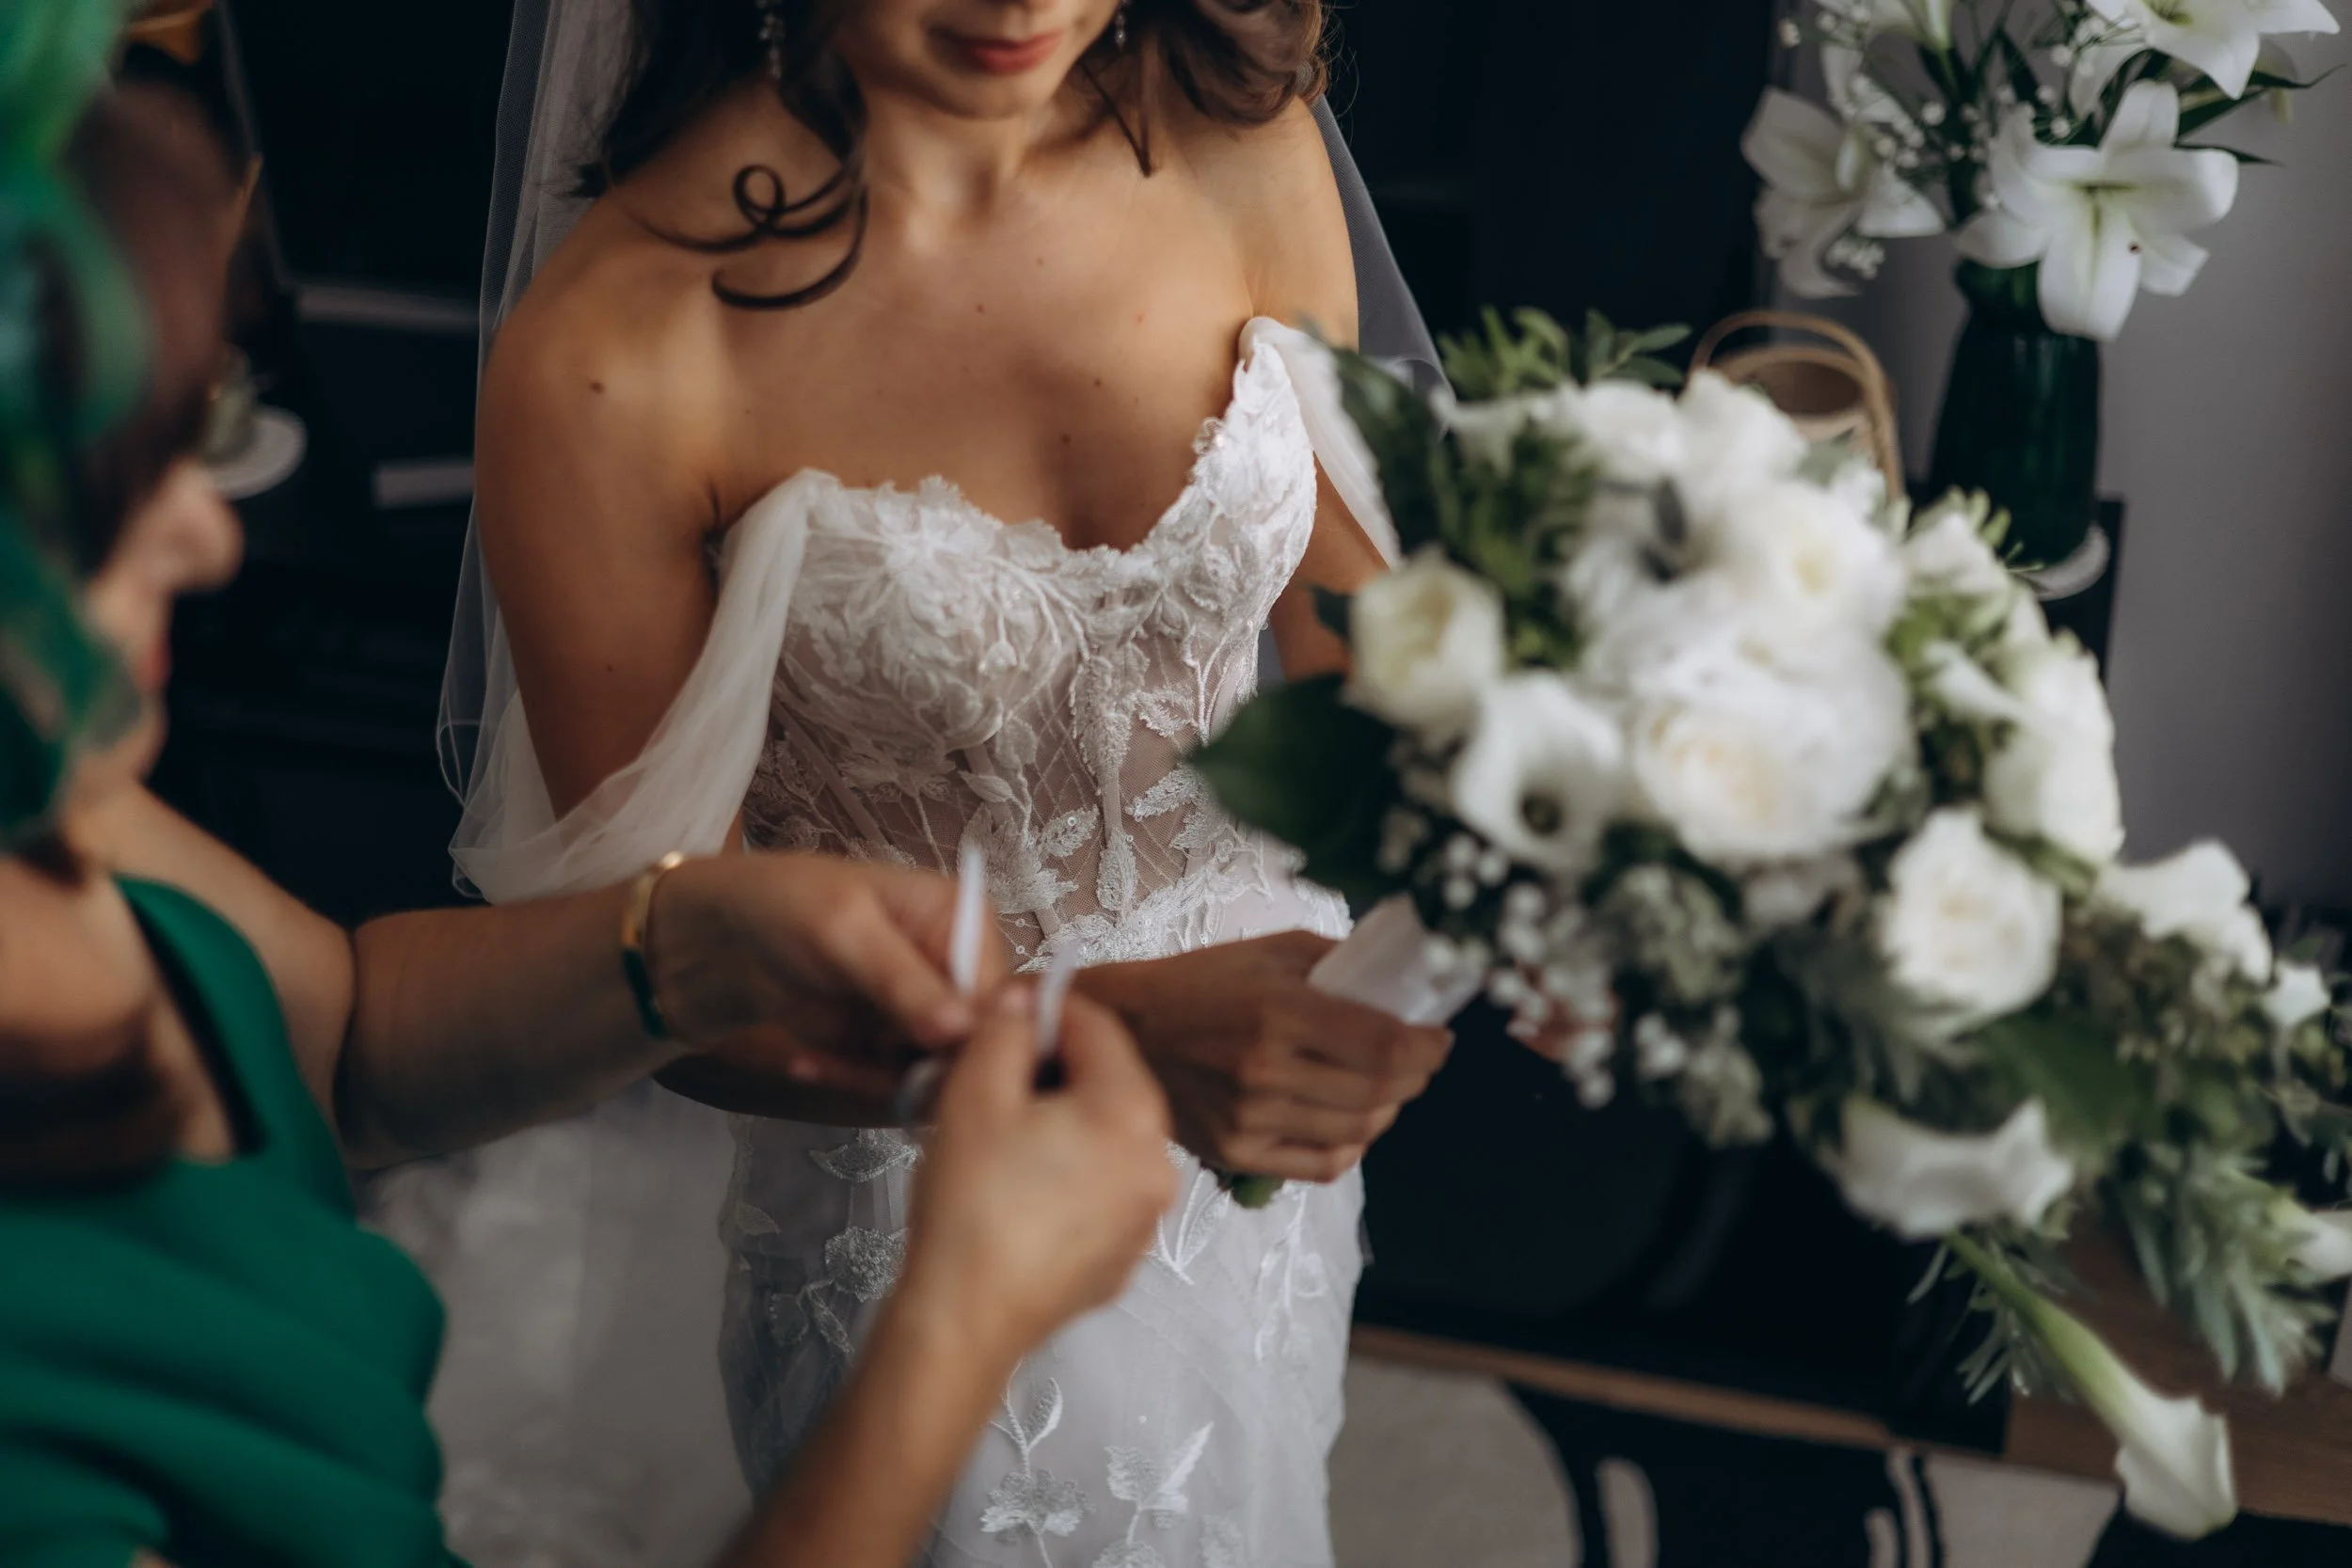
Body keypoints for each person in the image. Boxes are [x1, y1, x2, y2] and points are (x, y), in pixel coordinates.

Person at [0, 42, 1176, 1568]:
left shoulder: (50, 822)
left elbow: (344, 1034)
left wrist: (688, 940)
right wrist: (951, 1333)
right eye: (99, 498)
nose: (207, 538)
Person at [438, 2, 1455, 1560]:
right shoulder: (616, 358)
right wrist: (1105, 1029)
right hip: (917, 1220)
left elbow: (1348, 653)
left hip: (1268, 1151)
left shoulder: (1239, 134)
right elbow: (639, 987)